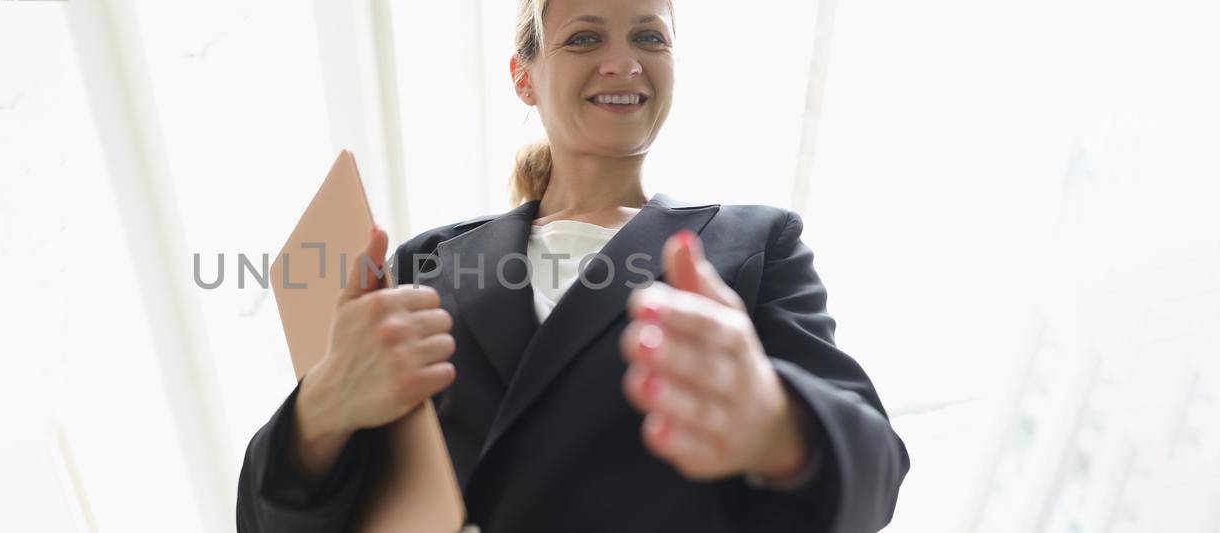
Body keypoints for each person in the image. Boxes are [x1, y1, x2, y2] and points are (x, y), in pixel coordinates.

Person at [236, 0, 909, 530]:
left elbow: (877, 468)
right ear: (523, 76)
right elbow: (270, 521)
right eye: (585, 38)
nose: (623, 61)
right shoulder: (427, 262)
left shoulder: (753, 244)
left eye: (650, 37)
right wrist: (321, 408)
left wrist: (777, 424)